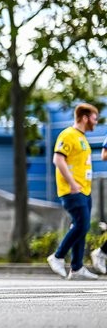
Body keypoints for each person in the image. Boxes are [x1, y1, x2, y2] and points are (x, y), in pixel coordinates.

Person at [47, 103, 100, 280]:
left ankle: (77, 268)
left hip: (84, 190)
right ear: (85, 118)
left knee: (81, 227)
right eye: (94, 117)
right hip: (73, 189)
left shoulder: (82, 137)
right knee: (82, 225)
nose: (96, 121)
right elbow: (58, 159)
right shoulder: (68, 134)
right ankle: (57, 256)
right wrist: (72, 183)